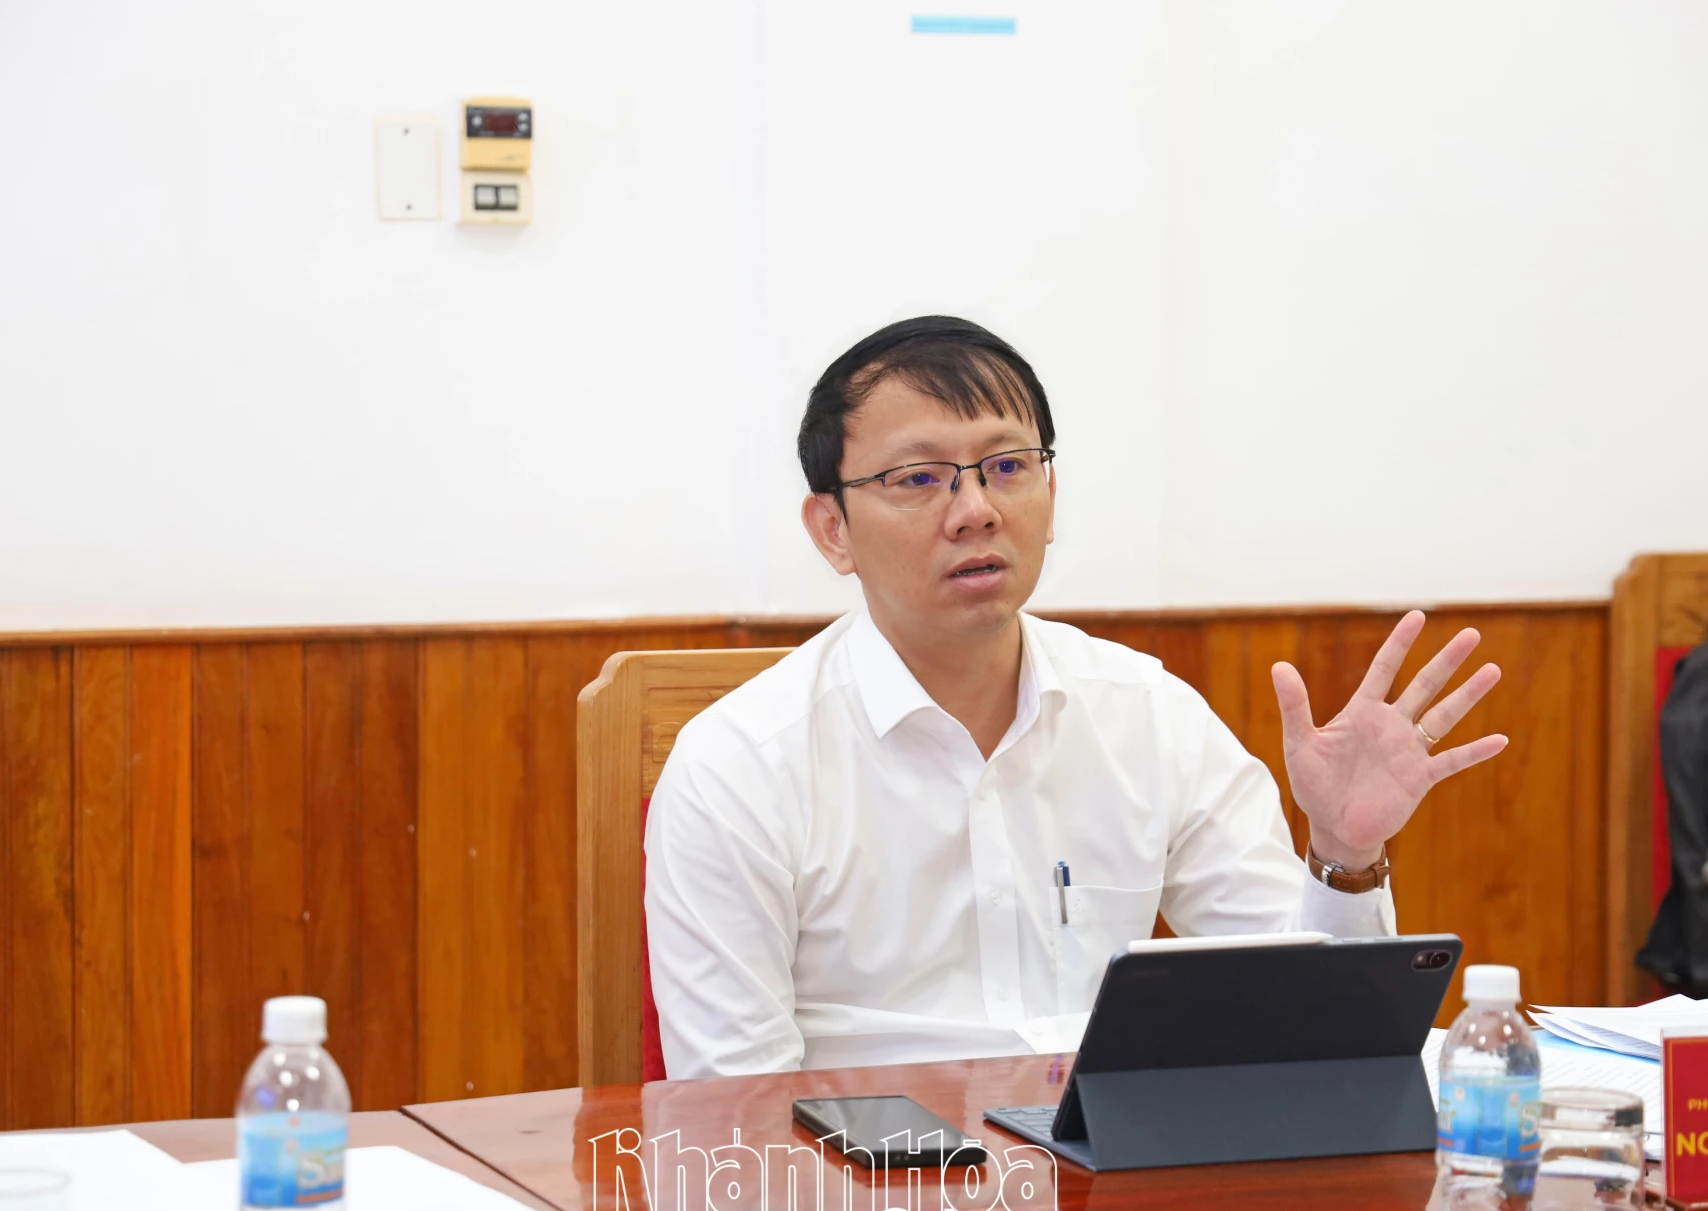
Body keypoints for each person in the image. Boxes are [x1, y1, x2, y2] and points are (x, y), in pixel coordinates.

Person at [644, 316, 1508, 1078]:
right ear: (833, 530)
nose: (976, 510)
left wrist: (1344, 853)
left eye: (1007, 467)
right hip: (862, 1188)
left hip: (1112, 1179)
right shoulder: (739, 767)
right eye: (918, 478)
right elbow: (733, 1111)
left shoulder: (1148, 714)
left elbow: (1313, 1025)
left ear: (1050, 497)